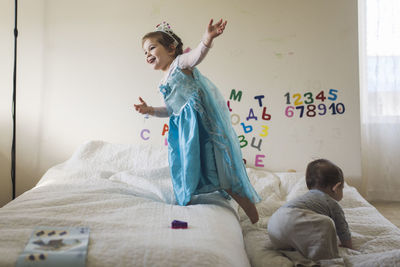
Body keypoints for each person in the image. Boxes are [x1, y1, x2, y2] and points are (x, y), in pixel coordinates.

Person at [134, 19, 261, 223]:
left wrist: (207, 39)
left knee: (224, 176)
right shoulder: (162, 82)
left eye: (152, 48)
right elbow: (170, 109)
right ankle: (189, 204)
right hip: (187, 135)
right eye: (144, 52)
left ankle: (255, 220)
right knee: (190, 167)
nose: (147, 54)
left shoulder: (180, 64)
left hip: (203, 130)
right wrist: (149, 110)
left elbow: (197, 56)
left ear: (171, 48)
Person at [267, 159, 352, 261]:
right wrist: (348, 245)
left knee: (308, 229)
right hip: (291, 219)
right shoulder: (332, 204)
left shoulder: (305, 198)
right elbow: (343, 231)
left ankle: (295, 251)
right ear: (336, 187)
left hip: (274, 227)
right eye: (342, 188)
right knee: (327, 224)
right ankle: (328, 262)